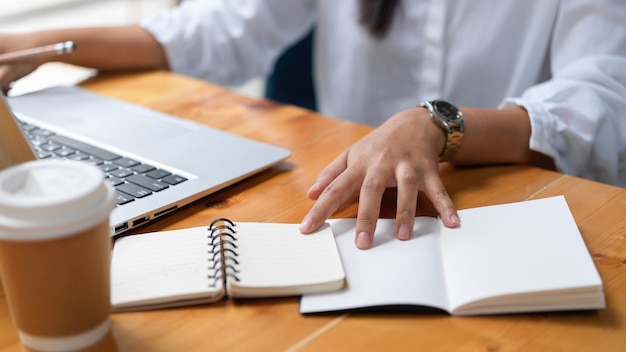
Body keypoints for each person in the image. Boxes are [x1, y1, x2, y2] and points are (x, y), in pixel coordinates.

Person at [1, 1, 625, 250]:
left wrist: (437, 125)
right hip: (345, 206)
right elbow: (219, 28)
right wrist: (37, 42)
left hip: (500, 203)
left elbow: (602, 95)